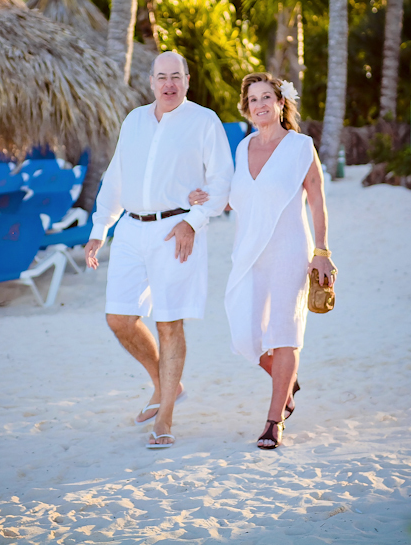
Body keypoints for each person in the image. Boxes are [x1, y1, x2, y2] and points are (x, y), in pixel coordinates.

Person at [84, 51, 234, 450]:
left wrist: (193, 221)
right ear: (151, 81)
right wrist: (101, 227)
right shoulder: (134, 120)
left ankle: (165, 414)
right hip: (131, 230)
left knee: (169, 323)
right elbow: (115, 177)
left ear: (188, 80)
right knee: (119, 317)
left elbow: (222, 183)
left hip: (176, 229)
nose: (169, 84)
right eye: (162, 77)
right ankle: (164, 383)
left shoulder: (204, 121)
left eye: (177, 77)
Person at [188, 73, 335, 450]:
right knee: (245, 336)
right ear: (247, 107)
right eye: (253, 100)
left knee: (284, 332)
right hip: (249, 251)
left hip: (289, 248)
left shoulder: (301, 146)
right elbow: (240, 199)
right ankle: (286, 382)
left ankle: (273, 422)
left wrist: (323, 251)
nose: (260, 105)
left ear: (281, 102)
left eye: (267, 96)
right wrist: (207, 197)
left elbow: (316, 198)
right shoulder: (243, 147)